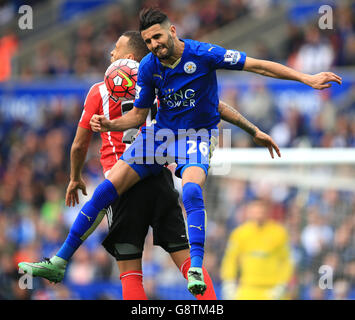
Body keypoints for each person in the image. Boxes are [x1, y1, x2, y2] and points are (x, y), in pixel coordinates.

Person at [88, 7, 340, 295]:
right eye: (149, 42)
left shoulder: (197, 57)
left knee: (141, 259)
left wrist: (303, 80)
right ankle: (61, 257)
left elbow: (249, 73)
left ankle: (198, 272)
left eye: (116, 51)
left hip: (159, 168)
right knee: (136, 260)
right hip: (144, 162)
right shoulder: (145, 74)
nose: (112, 56)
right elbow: (105, 131)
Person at [18, 30, 279, 299]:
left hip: (123, 182)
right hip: (159, 179)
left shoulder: (99, 91)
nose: (111, 53)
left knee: (130, 271)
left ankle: (60, 260)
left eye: (116, 49)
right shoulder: (161, 80)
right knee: (187, 262)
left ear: (128, 58)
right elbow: (214, 105)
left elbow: (78, 144)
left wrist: (75, 176)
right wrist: (253, 129)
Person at [220, 199, 294, 300]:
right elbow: (230, 259)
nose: (258, 214)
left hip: (272, 290)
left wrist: (282, 285)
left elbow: (287, 261)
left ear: (267, 211)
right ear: (250, 212)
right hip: (247, 288)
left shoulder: (279, 233)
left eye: (261, 211)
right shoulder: (240, 233)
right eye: (255, 211)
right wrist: (229, 282)